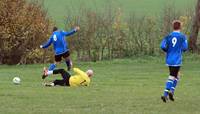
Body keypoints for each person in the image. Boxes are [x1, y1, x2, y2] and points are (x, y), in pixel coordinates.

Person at [160, 20, 188, 103]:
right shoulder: (182, 37)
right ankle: (165, 94)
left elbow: (162, 46)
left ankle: (171, 92)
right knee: (172, 76)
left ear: (173, 27)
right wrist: (180, 49)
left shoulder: (168, 36)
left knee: (177, 75)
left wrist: (167, 50)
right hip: (177, 59)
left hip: (169, 59)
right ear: (180, 27)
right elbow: (185, 48)